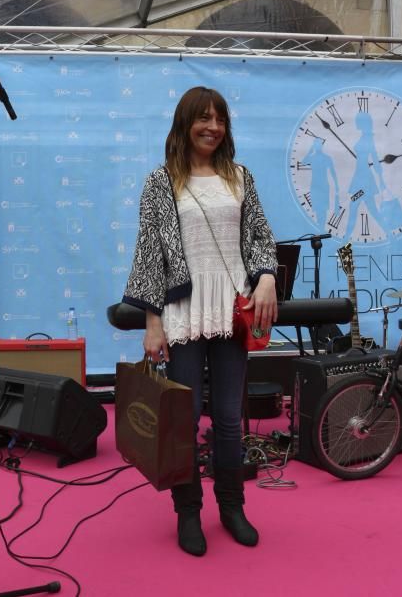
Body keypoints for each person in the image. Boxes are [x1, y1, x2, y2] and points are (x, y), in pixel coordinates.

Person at [123, 86, 278, 556]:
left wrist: (267, 277)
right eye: (203, 119)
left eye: (220, 119)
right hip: (184, 312)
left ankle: (232, 506)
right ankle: (187, 511)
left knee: (230, 419)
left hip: (233, 309)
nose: (212, 127)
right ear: (185, 123)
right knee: (184, 419)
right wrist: (153, 323)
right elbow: (151, 256)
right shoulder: (161, 181)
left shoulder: (240, 176)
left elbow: (258, 236)